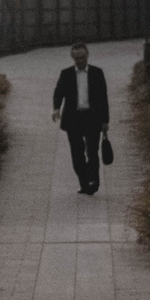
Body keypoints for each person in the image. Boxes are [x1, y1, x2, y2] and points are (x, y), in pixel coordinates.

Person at [52, 41, 109, 194]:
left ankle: (93, 181)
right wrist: (56, 108)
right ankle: (84, 182)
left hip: (92, 117)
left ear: (87, 55)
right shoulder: (66, 74)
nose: (80, 61)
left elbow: (103, 98)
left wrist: (105, 121)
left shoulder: (97, 73)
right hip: (73, 119)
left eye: (82, 57)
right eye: (77, 58)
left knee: (92, 151)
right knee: (77, 154)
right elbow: (58, 92)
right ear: (73, 58)